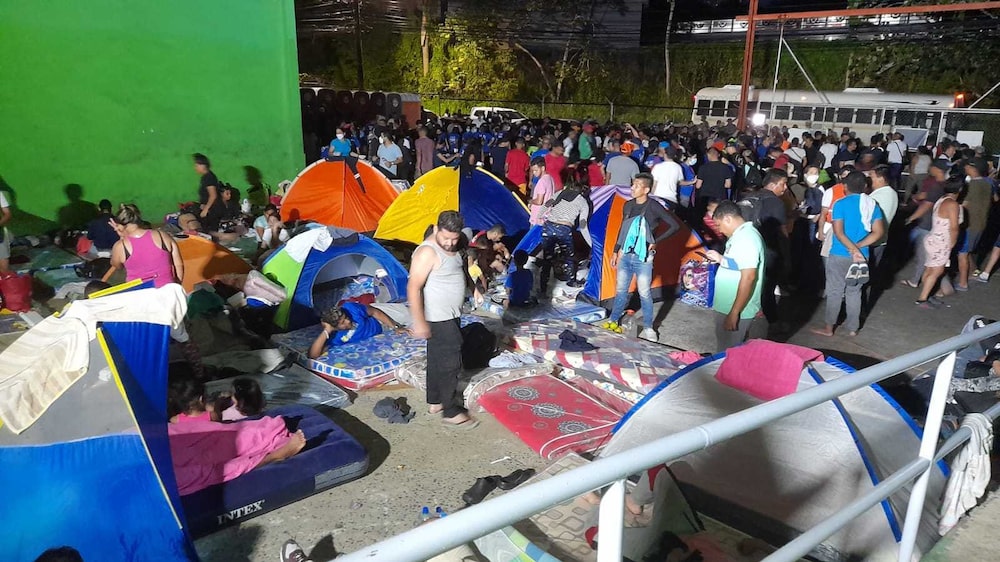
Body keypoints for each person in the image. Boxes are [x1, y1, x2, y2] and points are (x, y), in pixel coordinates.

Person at [167, 376, 306, 495]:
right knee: (213, 468)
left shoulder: (174, 420)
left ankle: (265, 435)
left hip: (174, 441)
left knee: (226, 434)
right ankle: (274, 456)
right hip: (172, 465)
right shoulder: (213, 413)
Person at [408, 211, 483, 429]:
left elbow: (461, 269)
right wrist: (419, 321)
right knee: (450, 362)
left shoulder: (455, 246)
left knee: (435, 357)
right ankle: (450, 411)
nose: (450, 243)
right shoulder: (426, 252)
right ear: (436, 229)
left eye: (454, 238)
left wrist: (473, 288)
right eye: (446, 238)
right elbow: (413, 287)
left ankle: (435, 401)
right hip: (438, 316)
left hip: (452, 313)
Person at [605, 173, 682, 341]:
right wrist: (616, 250)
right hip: (625, 254)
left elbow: (674, 226)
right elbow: (623, 229)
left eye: (637, 186)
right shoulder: (628, 205)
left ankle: (648, 328)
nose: (632, 188)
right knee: (621, 290)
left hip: (644, 257)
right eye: (633, 185)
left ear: (646, 189)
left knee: (645, 293)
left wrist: (655, 241)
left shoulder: (654, 206)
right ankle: (613, 319)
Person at [811, 171, 886, 336]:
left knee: (835, 292)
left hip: (839, 253)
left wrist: (852, 249)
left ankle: (829, 328)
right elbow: (878, 232)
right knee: (854, 292)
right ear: (865, 186)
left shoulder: (840, 204)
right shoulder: (872, 204)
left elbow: (838, 232)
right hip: (862, 256)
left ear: (844, 186)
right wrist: (859, 247)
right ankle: (853, 328)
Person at [704, 201, 765, 351]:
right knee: (724, 348)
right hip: (726, 305)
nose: (719, 230)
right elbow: (738, 264)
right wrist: (720, 259)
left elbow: (749, 276)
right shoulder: (739, 235)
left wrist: (734, 312)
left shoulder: (747, 239)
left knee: (728, 352)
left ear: (728, 219)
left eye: (719, 225)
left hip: (734, 308)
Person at [104, 204, 184, 288]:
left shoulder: (121, 246)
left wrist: (122, 237)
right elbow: (178, 264)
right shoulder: (162, 236)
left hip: (139, 294)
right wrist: (177, 286)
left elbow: (117, 265)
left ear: (119, 225)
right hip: (167, 291)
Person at [533, 180, 592, 292]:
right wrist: (590, 244)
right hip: (564, 229)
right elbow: (583, 225)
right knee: (569, 257)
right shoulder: (582, 202)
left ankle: (543, 287)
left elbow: (547, 204)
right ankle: (571, 282)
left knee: (547, 258)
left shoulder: (560, 193)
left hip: (548, 226)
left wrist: (539, 216)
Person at [914, 179, 963, 308]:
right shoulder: (953, 204)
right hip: (941, 241)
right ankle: (922, 299)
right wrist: (952, 242)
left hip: (932, 238)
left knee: (930, 269)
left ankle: (926, 294)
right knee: (936, 272)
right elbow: (954, 227)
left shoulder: (941, 199)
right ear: (960, 189)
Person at [902, 160, 949, 288]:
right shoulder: (946, 185)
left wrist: (911, 218)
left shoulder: (936, 186)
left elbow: (926, 206)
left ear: (937, 169)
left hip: (927, 223)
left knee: (922, 254)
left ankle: (916, 280)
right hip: (937, 223)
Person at [307, 302, 407, 358]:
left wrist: (396, 327)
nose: (348, 321)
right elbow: (313, 355)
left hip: (379, 318)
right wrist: (326, 331)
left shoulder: (350, 308)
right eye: (342, 323)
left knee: (410, 314)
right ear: (334, 327)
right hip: (379, 330)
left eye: (346, 317)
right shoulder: (334, 338)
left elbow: (375, 312)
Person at [959, 157, 992, 288]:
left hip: (971, 222)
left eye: (966, 166)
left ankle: (965, 280)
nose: (965, 168)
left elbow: (965, 204)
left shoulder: (973, 184)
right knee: (969, 251)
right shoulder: (987, 183)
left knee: (964, 252)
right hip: (981, 221)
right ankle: (974, 271)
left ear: (973, 169)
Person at [695, 147, 734, 218]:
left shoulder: (703, 168)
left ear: (708, 155)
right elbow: (728, 185)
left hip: (705, 198)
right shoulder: (726, 167)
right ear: (718, 155)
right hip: (720, 196)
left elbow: (698, 185)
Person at [194, 153, 225, 232]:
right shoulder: (207, 177)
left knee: (210, 232)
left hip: (212, 211)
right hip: (210, 209)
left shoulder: (208, 177)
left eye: (196, 165)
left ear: (203, 166)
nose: (195, 168)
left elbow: (213, 195)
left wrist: (205, 210)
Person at [528, 157, 556, 227]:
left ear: (543, 168)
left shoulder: (541, 182)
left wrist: (530, 201)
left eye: (536, 170)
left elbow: (539, 201)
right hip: (546, 216)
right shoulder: (550, 178)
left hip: (537, 217)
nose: (534, 173)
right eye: (533, 171)